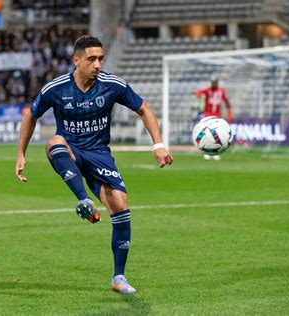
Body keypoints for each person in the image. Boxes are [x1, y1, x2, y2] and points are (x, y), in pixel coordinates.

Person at [15, 35, 173, 295]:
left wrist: (158, 145)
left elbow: (144, 109)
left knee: (121, 207)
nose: (98, 64)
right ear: (76, 60)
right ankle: (83, 200)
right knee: (54, 141)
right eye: (92, 59)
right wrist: (21, 153)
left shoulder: (112, 85)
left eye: (101, 58)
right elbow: (31, 116)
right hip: (71, 150)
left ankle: (119, 277)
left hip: (100, 154)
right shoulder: (55, 88)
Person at [195, 76, 233, 160]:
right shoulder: (208, 90)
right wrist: (197, 94)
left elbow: (226, 101)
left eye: (215, 82)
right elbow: (199, 92)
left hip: (217, 116)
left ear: (217, 82)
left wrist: (229, 113)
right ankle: (206, 151)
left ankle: (215, 151)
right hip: (208, 115)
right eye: (212, 82)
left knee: (216, 135)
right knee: (206, 133)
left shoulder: (221, 91)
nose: (214, 83)